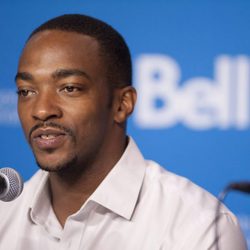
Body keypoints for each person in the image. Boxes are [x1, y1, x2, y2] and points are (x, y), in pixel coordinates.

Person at [0, 14, 247, 250]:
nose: (41, 110)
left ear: (122, 104)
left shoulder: (197, 225)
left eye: (69, 88)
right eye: (26, 91)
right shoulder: (5, 212)